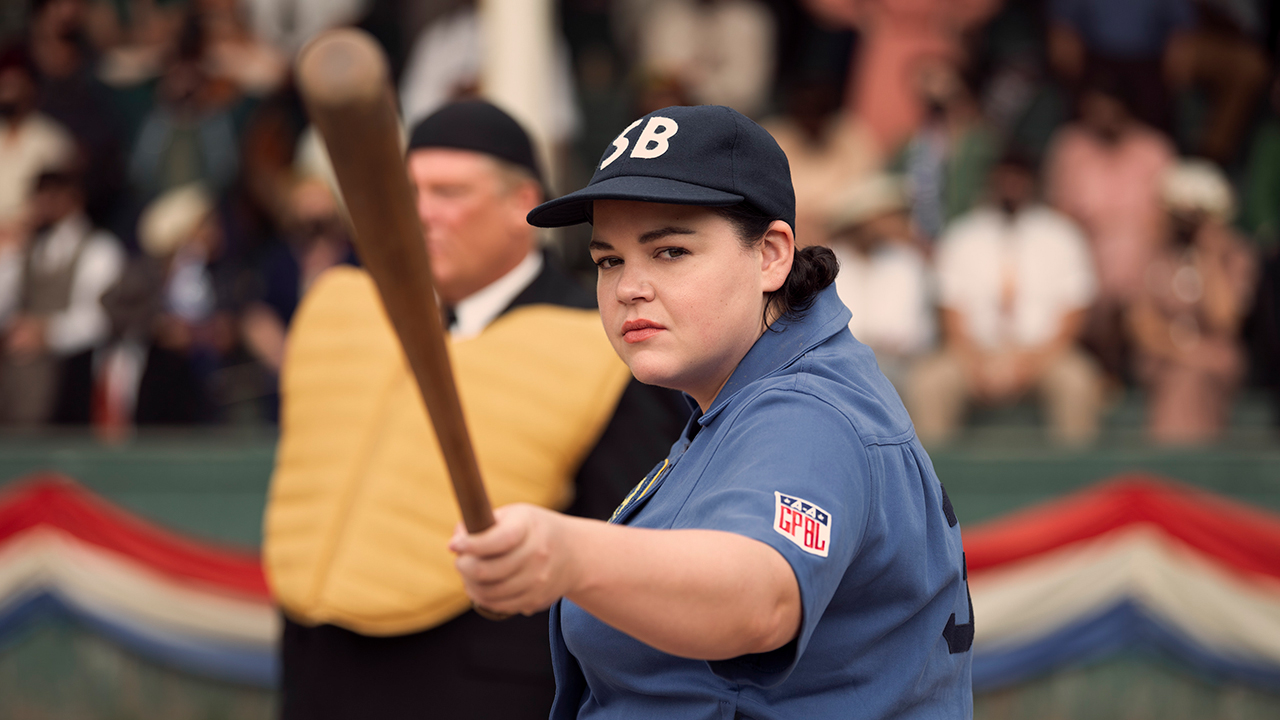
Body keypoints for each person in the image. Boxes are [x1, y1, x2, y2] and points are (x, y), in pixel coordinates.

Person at [453, 104, 973, 718]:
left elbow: (758, 601)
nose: (628, 287)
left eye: (670, 251)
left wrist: (567, 553)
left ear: (772, 255)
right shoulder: (743, 394)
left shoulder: (807, 412)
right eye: (609, 260)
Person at [263, 100, 686, 720]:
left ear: (522, 202)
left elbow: (636, 556)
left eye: (449, 191)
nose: (421, 213)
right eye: (409, 191)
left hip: (485, 691)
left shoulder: (606, 340)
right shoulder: (347, 316)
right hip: (319, 674)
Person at [909, 153, 1101, 445]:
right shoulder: (963, 235)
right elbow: (951, 314)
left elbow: (1072, 316)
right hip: (973, 352)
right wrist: (977, 363)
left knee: (1077, 383)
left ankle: (1075, 483)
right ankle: (933, 486)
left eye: (1019, 178)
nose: (1011, 186)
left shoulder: (1062, 236)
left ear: (1033, 183)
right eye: (1004, 178)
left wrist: (1030, 364)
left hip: (1046, 353)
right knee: (928, 383)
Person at [1128, 160, 1257, 444]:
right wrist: (1186, 350)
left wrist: (1209, 257)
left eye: (1198, 216)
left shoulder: (1236, 256)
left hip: (1215, 362)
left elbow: (1225, 322)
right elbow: (1141, 325)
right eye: (1182, 214)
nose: (1188, 224)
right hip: (1163, 358)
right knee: (1187, 373)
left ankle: (1177, 463)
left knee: (1195, 374)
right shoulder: (1153, 254)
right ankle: (1179, 463)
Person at [0, 164, 124, 426]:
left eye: (52, 195)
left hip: (71, 381)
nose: (43, 203)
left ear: (74, 197)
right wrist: (9, 252)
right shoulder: (30, 248)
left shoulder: (100, 249)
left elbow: (101, 319)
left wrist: (46, 332)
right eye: (39, 195)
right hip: (18, 382)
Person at [826, 173, 933, 391]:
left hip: (901, 366)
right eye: (885, 217)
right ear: (862, 221)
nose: (895, 224)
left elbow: (917, 333)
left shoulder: (906, 263)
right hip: (837, 364)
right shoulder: (826, 264)